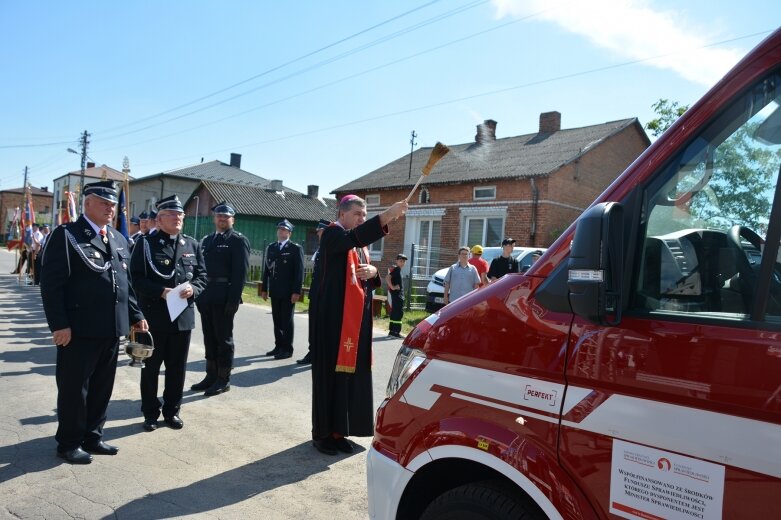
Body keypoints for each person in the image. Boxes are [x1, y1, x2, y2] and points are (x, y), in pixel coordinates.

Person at [40, 181, 148, 464]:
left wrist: (136, 316)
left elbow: (125, 283)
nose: (110, 208)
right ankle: (69, 442)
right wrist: (59, 325)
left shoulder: (118, 238)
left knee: (102, 386)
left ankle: (93, 436)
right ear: (87, 203)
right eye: (103, 202)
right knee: (75, 388)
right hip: (78, 329)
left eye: (113, 204)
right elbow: (51, 285)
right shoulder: (67, 235)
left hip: (111, 328)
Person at [311, 195, 407, 455]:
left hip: (355, 324)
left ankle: (340, 431)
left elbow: (364, 274)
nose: (362, 219)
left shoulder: (359, 244)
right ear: (342, 214)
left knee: (349, 380)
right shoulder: (332, 234)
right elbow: (352, 240)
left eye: (365, 215)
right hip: (332, 323)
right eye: (358, 214)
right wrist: (386, 216)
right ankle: (322, 434)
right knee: (330, 380)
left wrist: (374, 274)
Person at [129, 195, 206, 432]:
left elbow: (203, 276)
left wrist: (194, 289)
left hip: (182, 319)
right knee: (151, 369)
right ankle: (150, 413)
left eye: (180, 214)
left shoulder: (192, 245)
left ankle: (172, 411)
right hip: (154, 318)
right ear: (159, 220)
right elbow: (136, 279)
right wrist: (160, 292)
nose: (178, 218)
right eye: (172, 215)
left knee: (176, 370)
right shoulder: (145, 244)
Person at [192, 201, 250, 395]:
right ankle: (211, 375)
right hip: (206, 295)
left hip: (224, 296)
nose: (222, 219)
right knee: (209, 336)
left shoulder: (237, 240)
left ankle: (223, 378)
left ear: (232, 219)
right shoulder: (207, 240)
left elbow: (240, 273)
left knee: (223, 338)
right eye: (219, 215)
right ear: (214, 218)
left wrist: (234, 299)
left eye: (226, 216)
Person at [261, 219, 304, 360]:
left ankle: (287, 348)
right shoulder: (272, 247)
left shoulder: (295, 248)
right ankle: (278, 345)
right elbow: (266, 269)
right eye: (279, 229)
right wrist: (264, 288)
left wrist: (296, 291)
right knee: (277, 319)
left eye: (284, 230)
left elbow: (299, 272)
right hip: (275, 290)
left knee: (287, 320)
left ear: (289, 233)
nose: (281, 231)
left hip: (289, 291)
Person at [298, 219, 330, 365]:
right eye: (318, 231)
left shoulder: (331, 249)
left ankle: (322, 354)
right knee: (313, 325)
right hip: (315, 294)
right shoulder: (318, 250)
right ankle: (313, 352)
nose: (318, 233)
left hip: (326, 296)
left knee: (324, 326)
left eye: (321, 231)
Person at [385, 253, 408, 338]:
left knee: (394, 313)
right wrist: (393, 287)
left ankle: (392, 332)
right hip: (398, 296)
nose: (402, 263)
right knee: (398, 313)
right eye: (400, 261)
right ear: (397, 261)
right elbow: (387, 277)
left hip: (397, 296)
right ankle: (396, 332)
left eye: (404, 261)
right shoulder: (397, 269)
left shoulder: (397, 270)